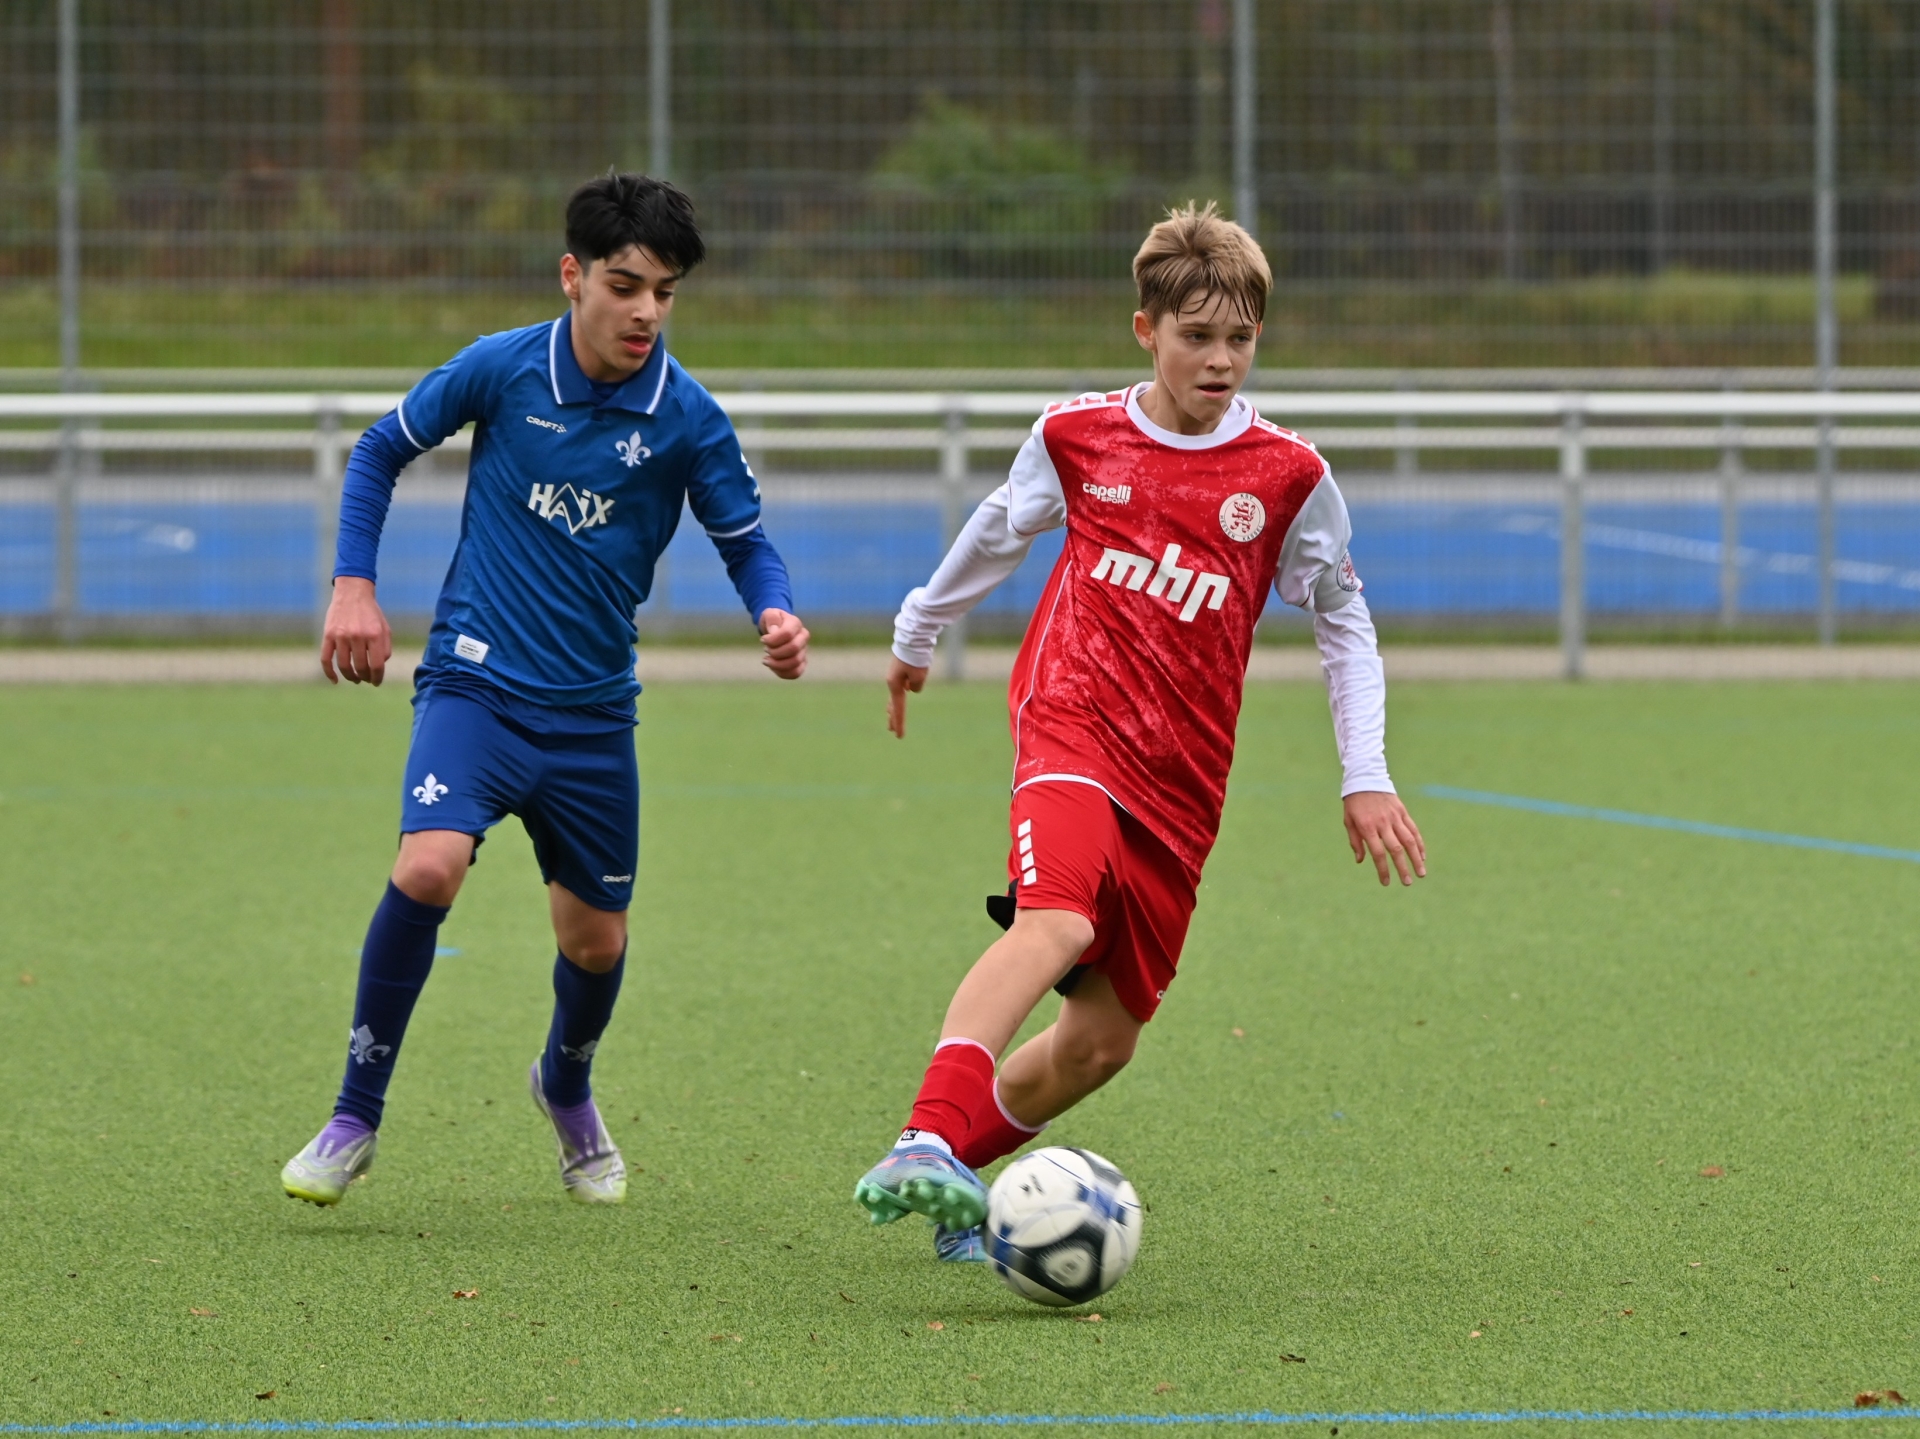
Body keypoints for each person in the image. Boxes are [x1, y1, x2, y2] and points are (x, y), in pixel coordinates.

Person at [852, 203, 1424, 1261]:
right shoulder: (1077, 436)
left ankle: (953, 1179)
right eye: (1196, 336)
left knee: (1101, 1042)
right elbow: (1000, 527)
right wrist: (918, 628)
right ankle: (924, 1134)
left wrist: (1366, 771)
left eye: (1240, 338)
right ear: (1145, 331)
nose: (1220, 360)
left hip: (1182, 784)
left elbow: (1343, 620)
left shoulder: (1288, 475)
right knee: (1057, 922)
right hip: (1069, 724)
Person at [281, 173, 809, 1208]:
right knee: (428, 866)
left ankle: (564, 1083)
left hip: (594, 716)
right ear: (574, 276)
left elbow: (748, 543)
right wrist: (353, 585)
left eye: (665, 291)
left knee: (595, 941)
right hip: (474, 685)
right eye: (625, 285)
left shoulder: (687, 416)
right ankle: (353, 1116)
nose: (647, 312)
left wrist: (776, 612)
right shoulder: (503, 367)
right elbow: (380, 448)